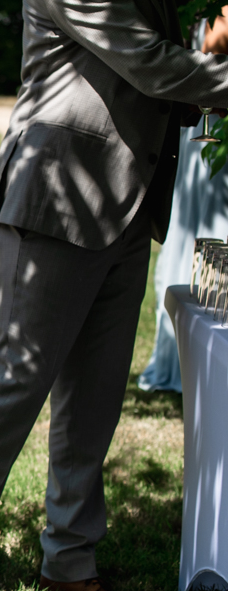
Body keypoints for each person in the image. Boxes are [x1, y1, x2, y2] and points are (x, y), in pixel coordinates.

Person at [0, 0, 228, 591]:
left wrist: (206, 62)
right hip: (56, 197)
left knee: (97, 395)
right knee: (16, 384)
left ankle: (70, 562)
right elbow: (151, 66)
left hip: (127, 207)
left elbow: (156, 87)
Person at [139, 14, 228, 393]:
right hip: (207, 126)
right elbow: (213, 49)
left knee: (196, 236)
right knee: (205, 234)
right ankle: (198, 361)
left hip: (203, 129)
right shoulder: (212, 12)